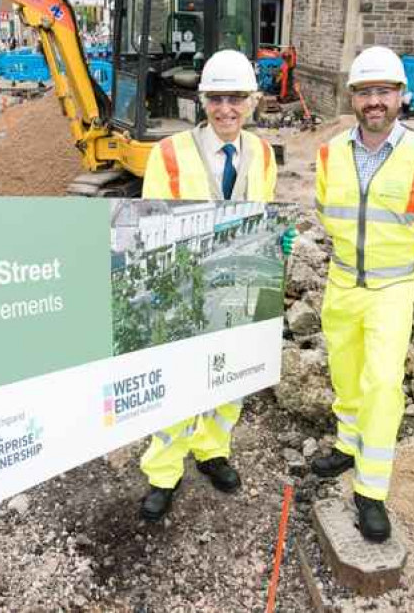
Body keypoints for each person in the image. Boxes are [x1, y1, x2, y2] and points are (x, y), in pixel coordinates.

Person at [311, 46, 414, 542]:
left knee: (381, 384)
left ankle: (371, 489)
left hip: (392, 287)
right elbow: (323, 207)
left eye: (384, 91)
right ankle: (346, 442)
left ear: (401, 96)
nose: (374, 101)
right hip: (341, 281)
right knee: (346, 371)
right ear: (352, 97)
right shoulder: (332, 152)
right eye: (365, 92)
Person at [138, 49, 280, 522]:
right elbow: (151, 224)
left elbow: (264, 211)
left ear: (253, 101)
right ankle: (163, 473)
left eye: (236, 99)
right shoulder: (169, 155)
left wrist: (278, 237)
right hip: (185, 288)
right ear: (202, 101)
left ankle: (212, 449)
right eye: (217, 99)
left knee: (228, 378)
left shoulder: (260, 152)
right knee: (178, 384)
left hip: (238, 287)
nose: (226, 110)